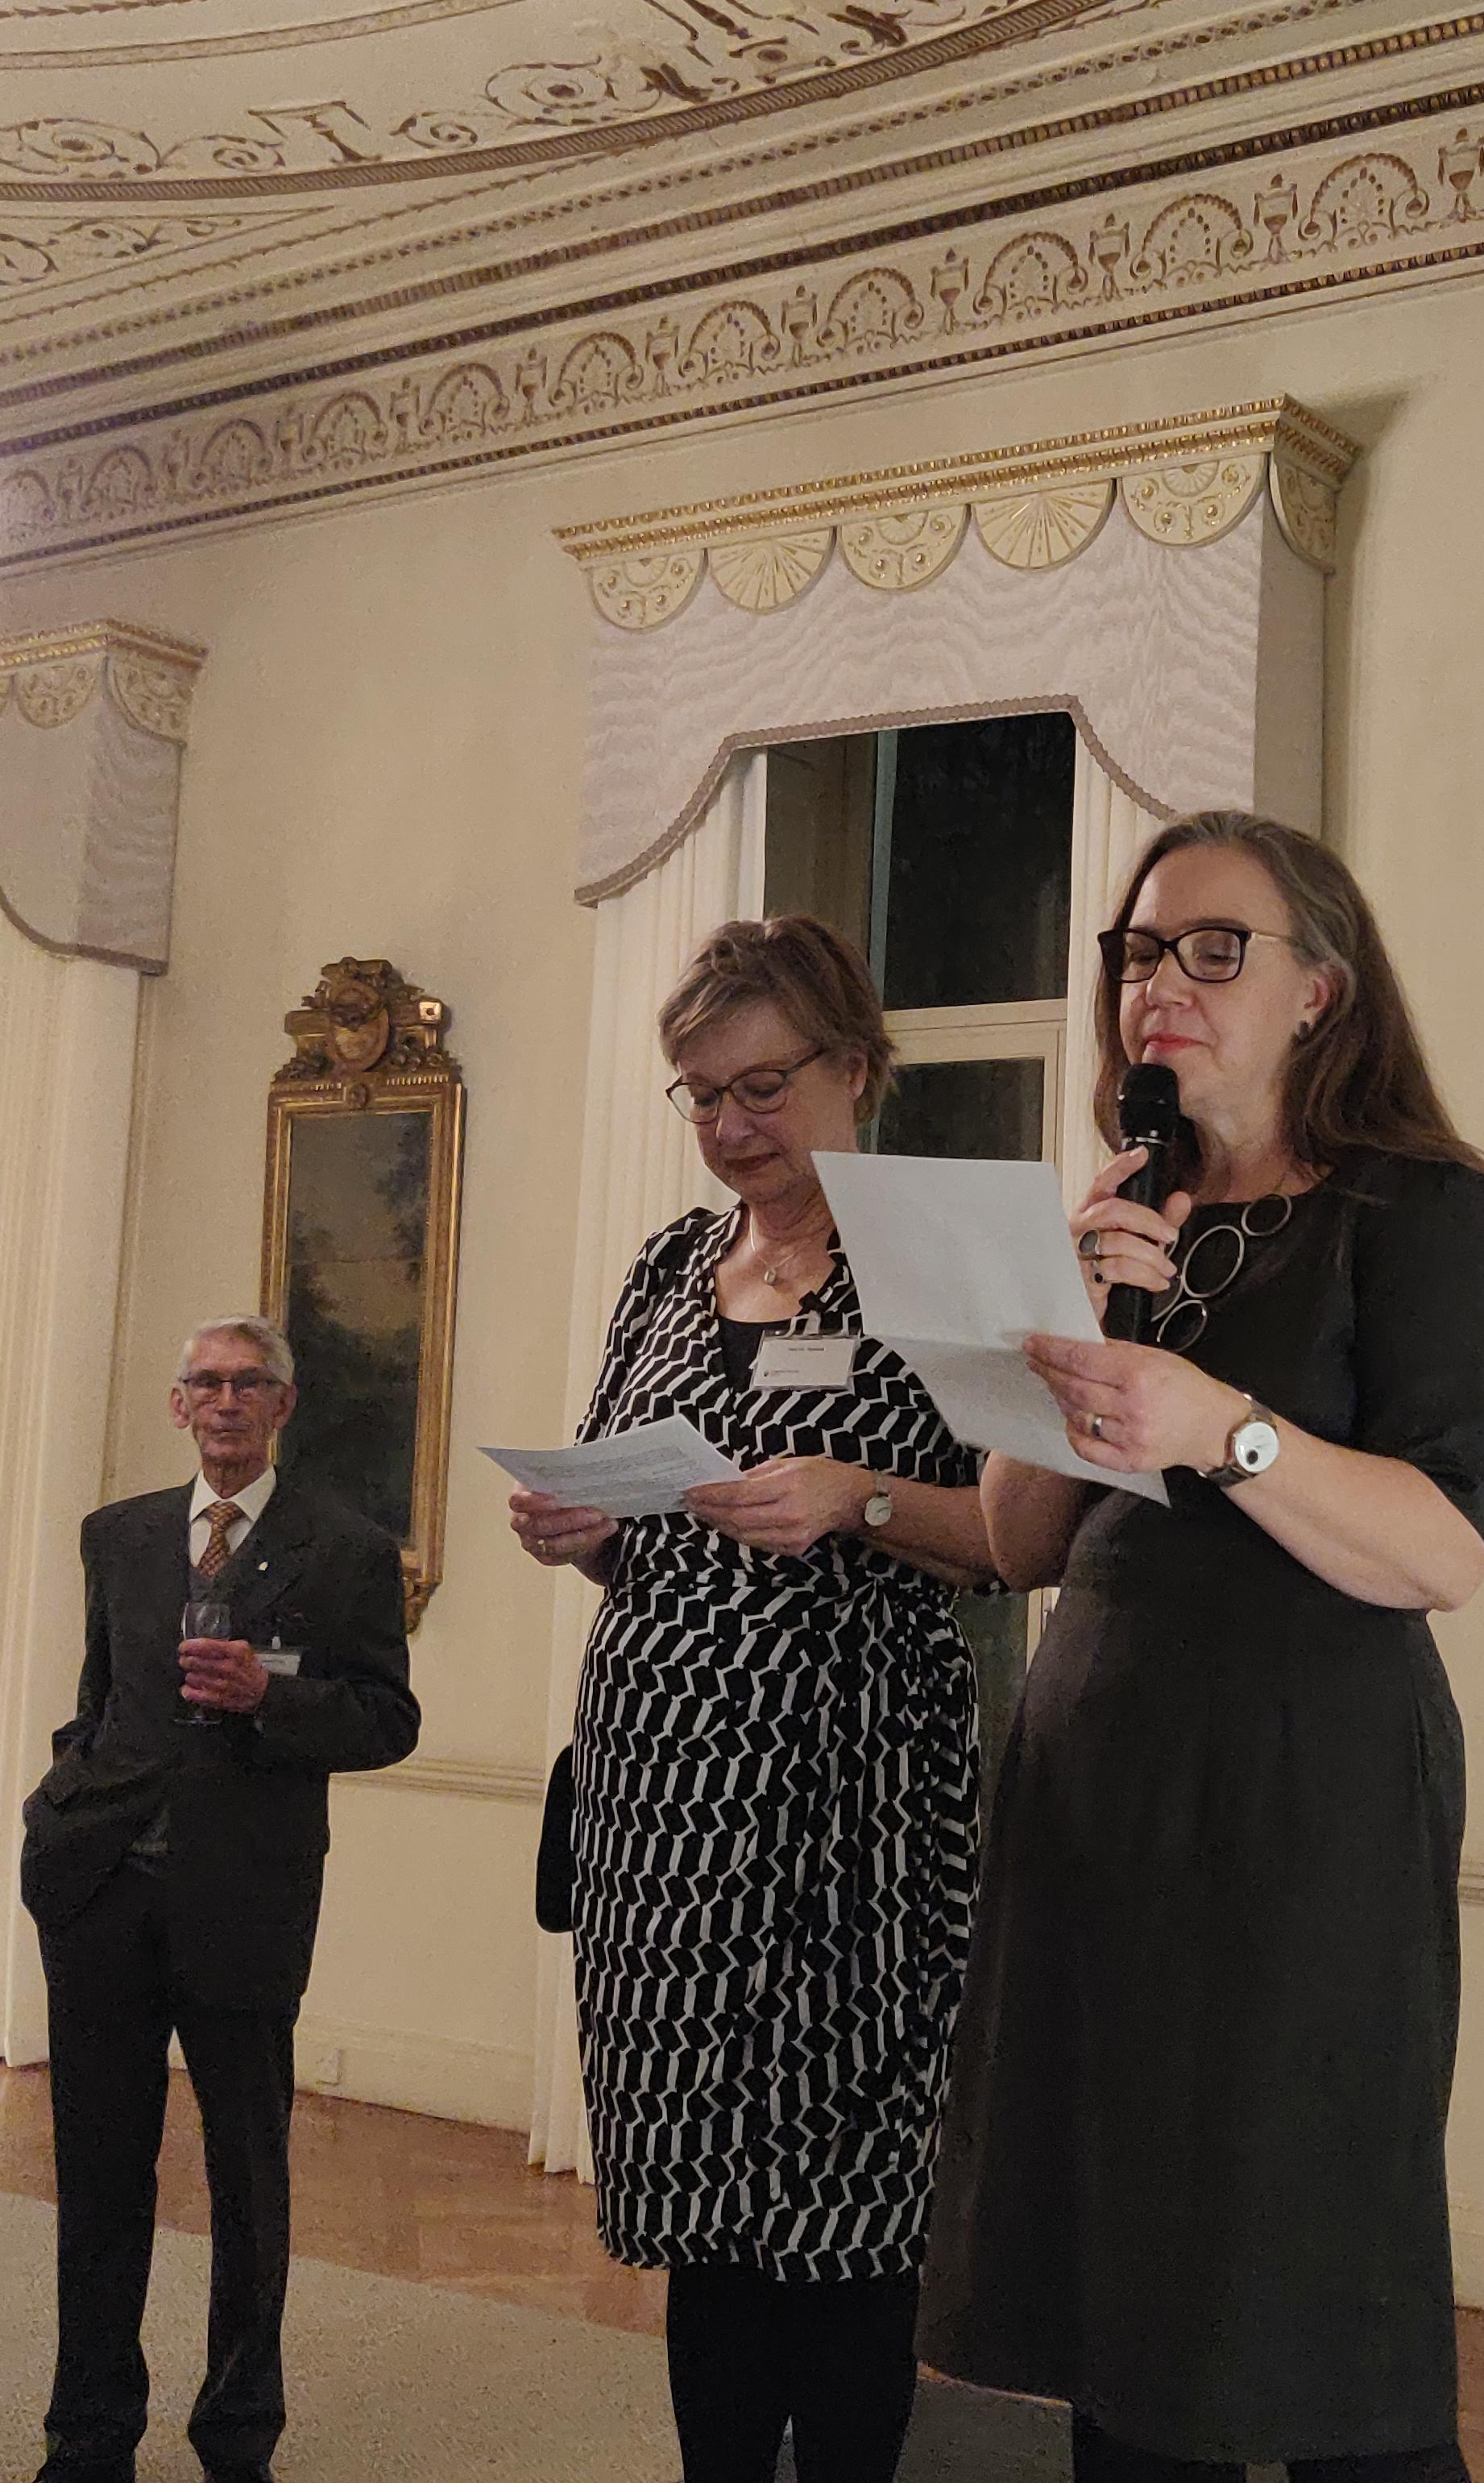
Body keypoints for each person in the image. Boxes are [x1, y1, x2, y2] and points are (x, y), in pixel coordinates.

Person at [921, 811, 1484, 2483]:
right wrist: (1066, 1332)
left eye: (1212, 948)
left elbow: (1443, 1546)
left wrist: (1225, 1427)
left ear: (1321, 989)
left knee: (1312, 2274)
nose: (1159, 985)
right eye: (1137, 952)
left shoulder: (1424, 1212)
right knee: (1119, 2291)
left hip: (1302, 1801)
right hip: (1098, 1789)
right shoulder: (1125, 1209)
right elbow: (1021, 1541)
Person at [509, 915, 994, 2483]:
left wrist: (861, 1498)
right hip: (663, 1814)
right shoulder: (667, 1265)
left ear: (858, 1069)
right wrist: (581, 1531)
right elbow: (640, 1528)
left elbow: (1016, 1544)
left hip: (856, 1806)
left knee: (846, 2212)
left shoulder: (945, 1254)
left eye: (762, 1088)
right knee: (702, 2205)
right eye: (700, 1095)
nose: (729, 1128)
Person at [23, 1318, 421, 2483]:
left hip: (245, 1898)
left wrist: (267, 1699)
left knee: (249, 2175)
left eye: (252, 1384)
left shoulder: (343, 1548)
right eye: (208, 1383)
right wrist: (62, 1802)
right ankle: (87, 2433)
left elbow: (389, 1721)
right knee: (98, 2174)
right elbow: (97, 1698)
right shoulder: (121, 1535)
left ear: (285, 1406)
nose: (229, 1402)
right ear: (177, 1403)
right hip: (99, 1889)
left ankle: (238, 2433)